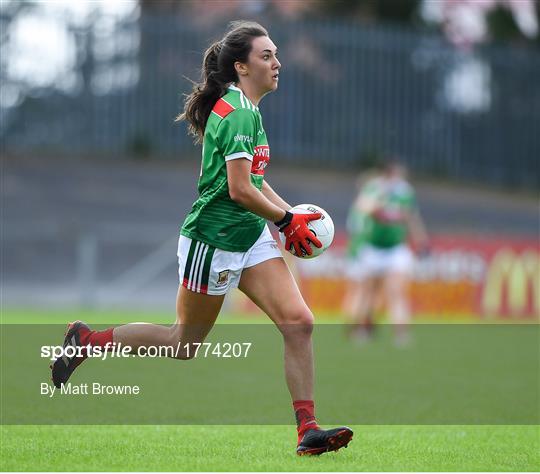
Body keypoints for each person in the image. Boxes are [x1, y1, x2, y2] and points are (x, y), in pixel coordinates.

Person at [51, 21, 352, 456]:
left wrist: (289, 217)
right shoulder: (237, 112)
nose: (276, 62)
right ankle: (88, 342)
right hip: (212, 243)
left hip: (249, 237)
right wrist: (287, 221)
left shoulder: (247, 108)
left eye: (275, 53)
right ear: (241, 66)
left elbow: (256, 181)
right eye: (266, 55)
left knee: (299, 323)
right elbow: (239, 190)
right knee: (182, 344)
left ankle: (307, 429)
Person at [343, 161, 429, 345]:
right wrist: (380, 200)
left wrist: (421, 241)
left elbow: (411, 217)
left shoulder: (405, 193)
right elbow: (362, 207)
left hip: (396, 249)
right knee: (368, 293)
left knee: (396, 292)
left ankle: (401, 335)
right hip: (372, 248)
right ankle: (361, 331)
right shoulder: (375, 189)